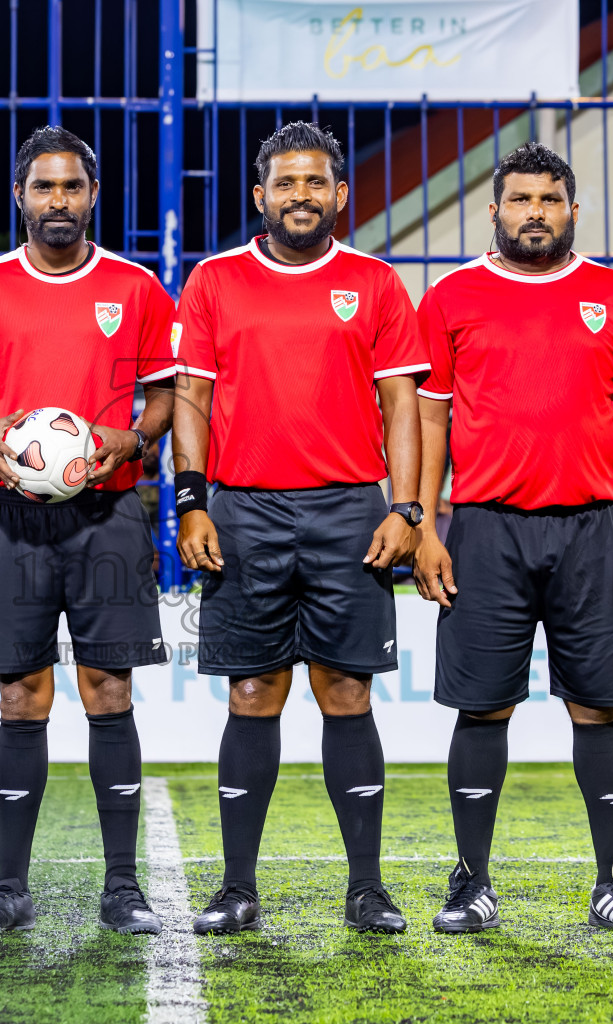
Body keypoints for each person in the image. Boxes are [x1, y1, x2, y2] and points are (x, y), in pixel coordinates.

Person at [173, 122, 426, 935]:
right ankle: (237, 888)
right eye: (285, 183)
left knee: (346, 690)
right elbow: (191, 399)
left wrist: (406, 507)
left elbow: (403, 405)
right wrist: (190, 500)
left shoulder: (375, 283)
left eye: (316, 182)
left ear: (340, 194)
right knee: (253, 692)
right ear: (260, 195)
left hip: (349, 510)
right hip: (244, 509)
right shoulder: (214, 281)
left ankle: (367, 889)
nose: (301, 195)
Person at [412, 142, 613, 934]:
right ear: (494, 211)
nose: (535, 213)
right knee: (482, 709)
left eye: (549, 200)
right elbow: (429, 419)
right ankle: (471, 880)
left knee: (599, 707)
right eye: (520, 200)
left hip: (593, 527)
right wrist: (424, 524)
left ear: (573, 210)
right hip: (485, 529)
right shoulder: (451, 296)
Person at [0, 126, 175, 936]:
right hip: (10, 515)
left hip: (109, 512)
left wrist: (132, 440)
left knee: (109, 688)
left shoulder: (136, 288)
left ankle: (122, 888)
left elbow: (166, 396)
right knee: (21, 694)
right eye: (44, 187)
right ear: (20, 196)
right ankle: (10, 887)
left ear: (93, 195)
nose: (59, 200)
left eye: (72, 186)